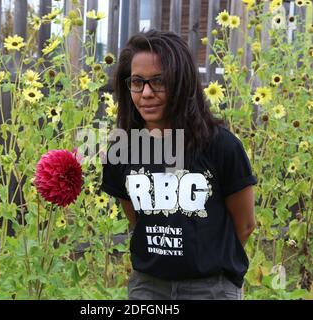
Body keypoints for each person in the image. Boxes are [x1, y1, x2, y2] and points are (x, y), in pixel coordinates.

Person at [100, 29, 257, 300]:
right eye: (137, 82)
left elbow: (245, 225)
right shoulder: (122, 149)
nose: (146, 93)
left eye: (158, 81)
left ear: (182, 83)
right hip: (148, 289)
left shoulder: (221, 146)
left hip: (211, 289)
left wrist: (208, 267)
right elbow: (137, 218)